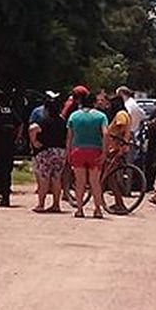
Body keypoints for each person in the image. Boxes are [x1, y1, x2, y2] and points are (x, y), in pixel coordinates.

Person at [66, 88, 108, 219]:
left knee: (80, 182)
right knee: (95, 182)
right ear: (94, 103)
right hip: (95, 150)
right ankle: (97, 209)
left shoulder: (74, 116)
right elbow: (105, 133)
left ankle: (79, 209)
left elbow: (69, 136)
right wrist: (105, 151)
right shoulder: (101, 116)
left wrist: (68, 151)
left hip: (78, 149)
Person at [29, 95, 67, 213]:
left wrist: (34, 141)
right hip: (60, 151)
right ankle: (56, 204)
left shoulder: (43, 121)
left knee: (44, 178)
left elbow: (32, 128)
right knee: (56, 178)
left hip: (45, 151)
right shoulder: (62, 121)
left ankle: (41, 204)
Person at [103, 91, 135, 214]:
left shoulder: (121, 114)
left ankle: (119, 202)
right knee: (111, 176)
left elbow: (121, 127)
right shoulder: (125, 114)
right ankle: (118, 202)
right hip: (115, 147)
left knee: (110, 176)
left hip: (114, 148)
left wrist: (120, 142)